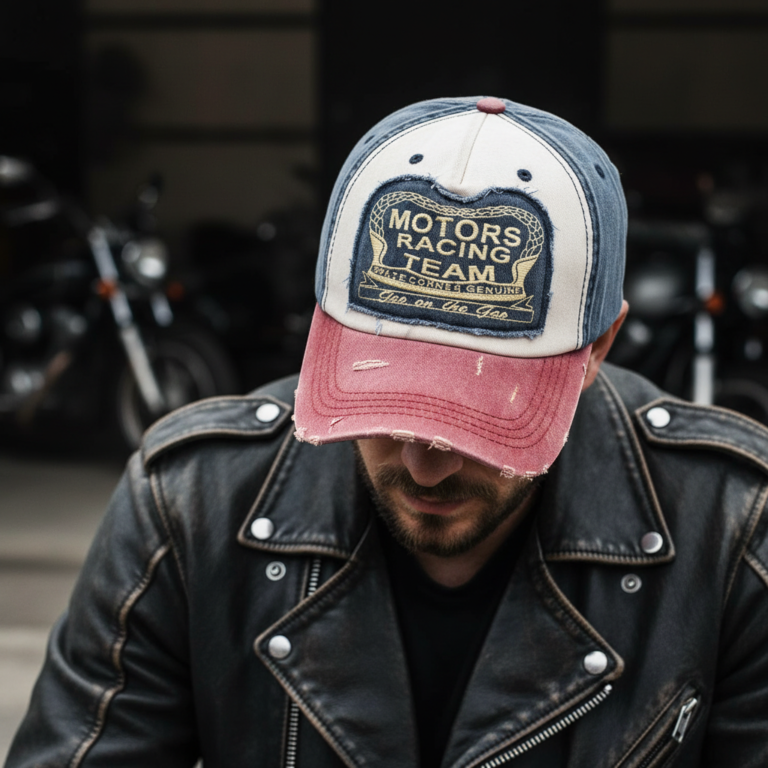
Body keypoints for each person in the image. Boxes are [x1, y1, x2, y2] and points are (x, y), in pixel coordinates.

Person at [6, 96, 768, 768]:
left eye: (478, 416)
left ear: (597, 349)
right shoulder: (191, 502)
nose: (423, 464)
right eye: (385, 397)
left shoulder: (731, 530)